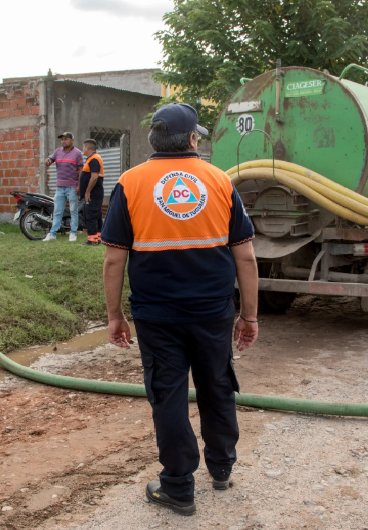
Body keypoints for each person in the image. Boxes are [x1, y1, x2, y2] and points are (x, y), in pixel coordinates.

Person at [100, 103, 260, 516]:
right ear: (192, 140)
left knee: (168, 395)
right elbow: (246, 258)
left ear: (154, 140)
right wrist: (250, 315)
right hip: (213, 312)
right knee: (217, 384)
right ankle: (221, 467)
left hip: (158, 316)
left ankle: (178, 486)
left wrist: (115, 316)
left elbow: (114, 259)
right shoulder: (219, 181)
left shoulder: (131, 182)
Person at [43, 132, 83, 242]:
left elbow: (81, 171)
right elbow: (49, 160)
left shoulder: (77, 153)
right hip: (60, 187)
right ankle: (52, 233)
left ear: (72, 140)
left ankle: (73, 232)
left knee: (73, 210)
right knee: (57, 211)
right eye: (62, 139)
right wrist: (47, 161)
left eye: (66, 139)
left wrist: (79, 186)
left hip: (72, 187)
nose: (63, 141)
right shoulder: (57, 151)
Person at [79, 139, 104, 246]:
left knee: (91, 215)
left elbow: (94, 177)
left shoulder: (94, 159)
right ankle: (98, 238)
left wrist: (87, 191)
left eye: (83, 147)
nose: (83, 149)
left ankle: (92, 240)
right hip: (94, 193)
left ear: (88, 148)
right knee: (96, 215)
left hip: (93, 193)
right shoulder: (91, 159)